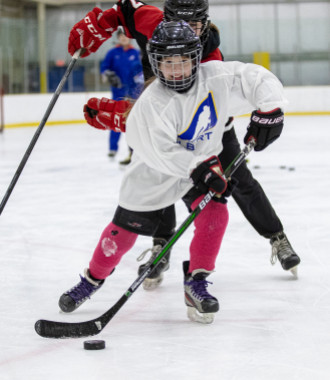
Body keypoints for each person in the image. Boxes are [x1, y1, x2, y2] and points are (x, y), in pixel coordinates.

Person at [60, 21, 287, 324]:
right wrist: (200, 168)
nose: (177, 70)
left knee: (216, 215)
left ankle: (196, 282)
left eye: (183, 61)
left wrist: (270, 109)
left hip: (201, 165)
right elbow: (161, 152)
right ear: (156, 63)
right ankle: (92, 279)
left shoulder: (216, 77)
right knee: (121, 236)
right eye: (168, 63)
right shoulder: (152, 104)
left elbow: (256, 78)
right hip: (154, 173)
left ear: (196, 58)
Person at [100, 28, 143, 163]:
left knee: (132, 123)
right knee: (116, 120)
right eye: (121, 36)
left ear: (129, 38)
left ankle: (133, 152)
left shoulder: (136, 53)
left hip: (133, 93)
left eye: (126, 36)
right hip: (117, 92)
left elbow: (141, 71)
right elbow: (104, 68)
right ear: (118, 38)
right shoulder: (112, 53)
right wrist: (108, 75)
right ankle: (113, 148)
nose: (124, 38)